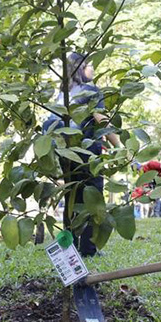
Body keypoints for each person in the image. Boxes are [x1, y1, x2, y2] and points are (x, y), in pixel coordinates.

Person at [43, 52, 120, 256]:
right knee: (92, 199)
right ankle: (88, 249)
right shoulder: (91, 91)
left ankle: (69, 248)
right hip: (86, 153)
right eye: (89, 65)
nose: (92, 69)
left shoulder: (63, 93)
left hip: (64, 153)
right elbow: (101, 119)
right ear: (81, 67)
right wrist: (119, 147)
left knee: (71, 198)